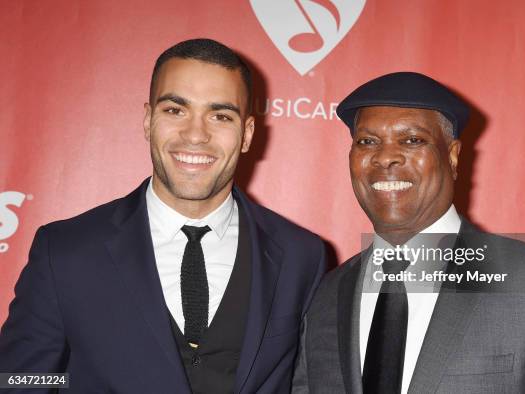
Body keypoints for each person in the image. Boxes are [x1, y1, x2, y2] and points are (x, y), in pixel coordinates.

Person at [0, 38, 326, 393]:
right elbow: (19, 380)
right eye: (175, 110)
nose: (196, 135)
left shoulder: (301, 255)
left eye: (220, 116)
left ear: (246, 134)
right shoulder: (65, 250)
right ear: (147, 120)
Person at [292, 72, 525, 393]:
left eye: (412, 140)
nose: (386, 156)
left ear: (453, 156)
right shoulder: (325, 295)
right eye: (367, 142)